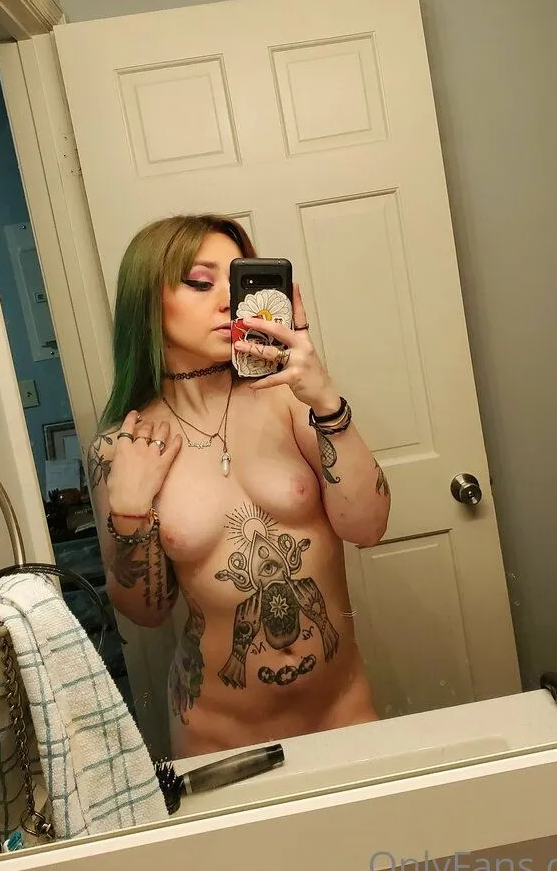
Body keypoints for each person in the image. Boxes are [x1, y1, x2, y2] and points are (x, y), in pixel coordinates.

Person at [88, 214, 391, 759]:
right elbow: (146, 612)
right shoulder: (124, 446)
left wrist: (327, 403)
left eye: (238, 280)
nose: (229, 300)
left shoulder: (290, 399)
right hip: (217, 735)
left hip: (342, 711)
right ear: (146, 303)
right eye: (200, 282)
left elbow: (368, 527)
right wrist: (129, 509)